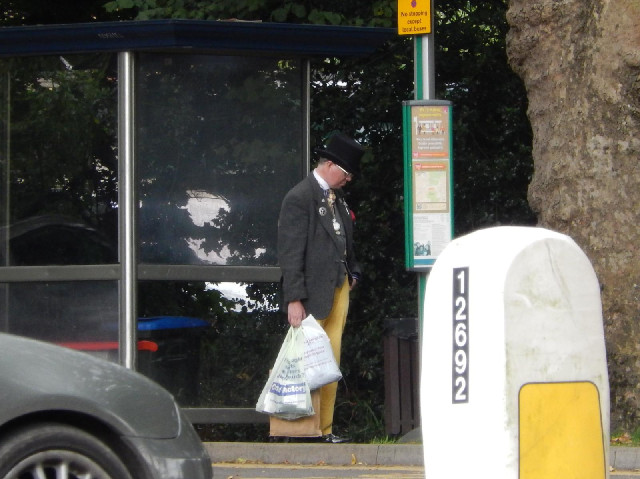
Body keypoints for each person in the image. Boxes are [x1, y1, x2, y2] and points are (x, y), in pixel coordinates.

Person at [277, 132, 364, 444]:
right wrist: (294, 299)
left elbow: (345, 240)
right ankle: (302, 430)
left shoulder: (335, 197)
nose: (349, 179)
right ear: (329, 165)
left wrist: (353, 272)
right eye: (346, 173)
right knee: (308, 361)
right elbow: (290, 253)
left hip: (338, 288)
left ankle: (324, 428)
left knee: (330, 360)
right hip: (312, 295)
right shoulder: (300, 197)